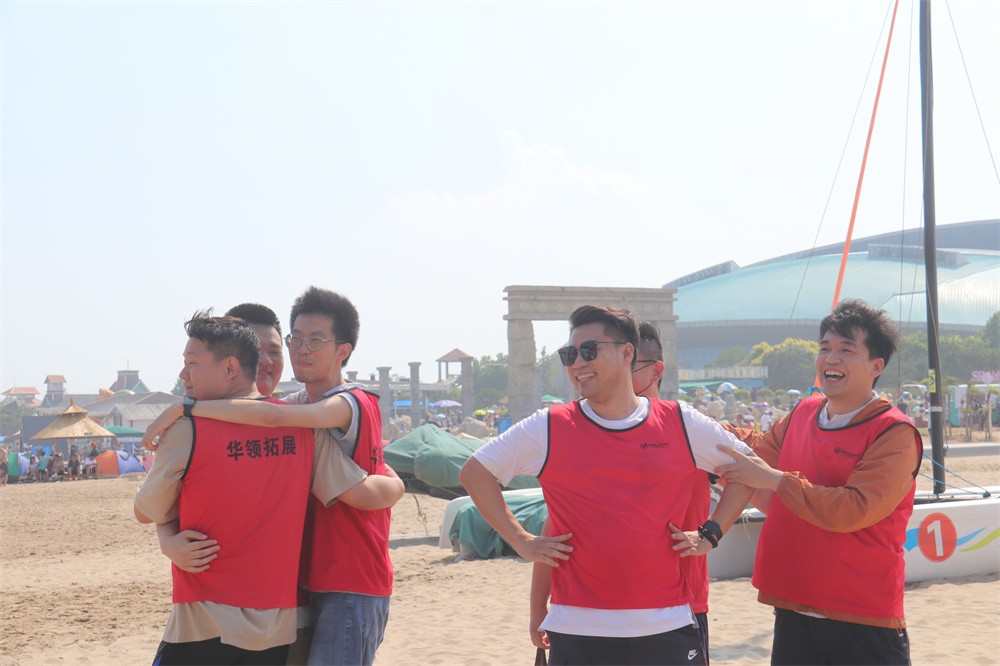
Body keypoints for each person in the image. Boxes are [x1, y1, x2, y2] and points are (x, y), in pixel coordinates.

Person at [460, 305, 756, 666]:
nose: (577, 364)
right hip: (577, 629)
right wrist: (522, 541)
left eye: (589, 351)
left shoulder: (681, 421)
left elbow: (747, 471)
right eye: (569, 355)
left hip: (668, 624)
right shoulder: (548, 426)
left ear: (626, 352)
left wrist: (711, 533)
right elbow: (475, 473)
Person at [144, 288, 401, 666]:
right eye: (295, 340)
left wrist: (185, 408)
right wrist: (167, 539)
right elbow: (162, 504)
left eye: (274, 350)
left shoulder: (304, 420)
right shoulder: (281, 412)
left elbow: (273, 418)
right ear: (233, 358)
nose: (265, 360)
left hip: (333, 588)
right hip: (260, 601)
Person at [717, 299, 920, 665]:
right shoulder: (804, 411)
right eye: (824, 348)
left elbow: (853, 509)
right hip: (795, 605)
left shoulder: (894, 432)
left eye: (846, 350)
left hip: (862, 616)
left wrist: (776, 481)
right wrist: (695, 429)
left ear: (876, 366)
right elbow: (756, 451)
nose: (831, 358)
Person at [528, 321, 717, 664]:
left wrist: (711, 533)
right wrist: (538, 604)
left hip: (680, 609)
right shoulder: (585, 432)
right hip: (589, 617)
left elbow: (753, 477)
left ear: (654, 369)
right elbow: (554, 530)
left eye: (632, 364)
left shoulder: (691, 430)